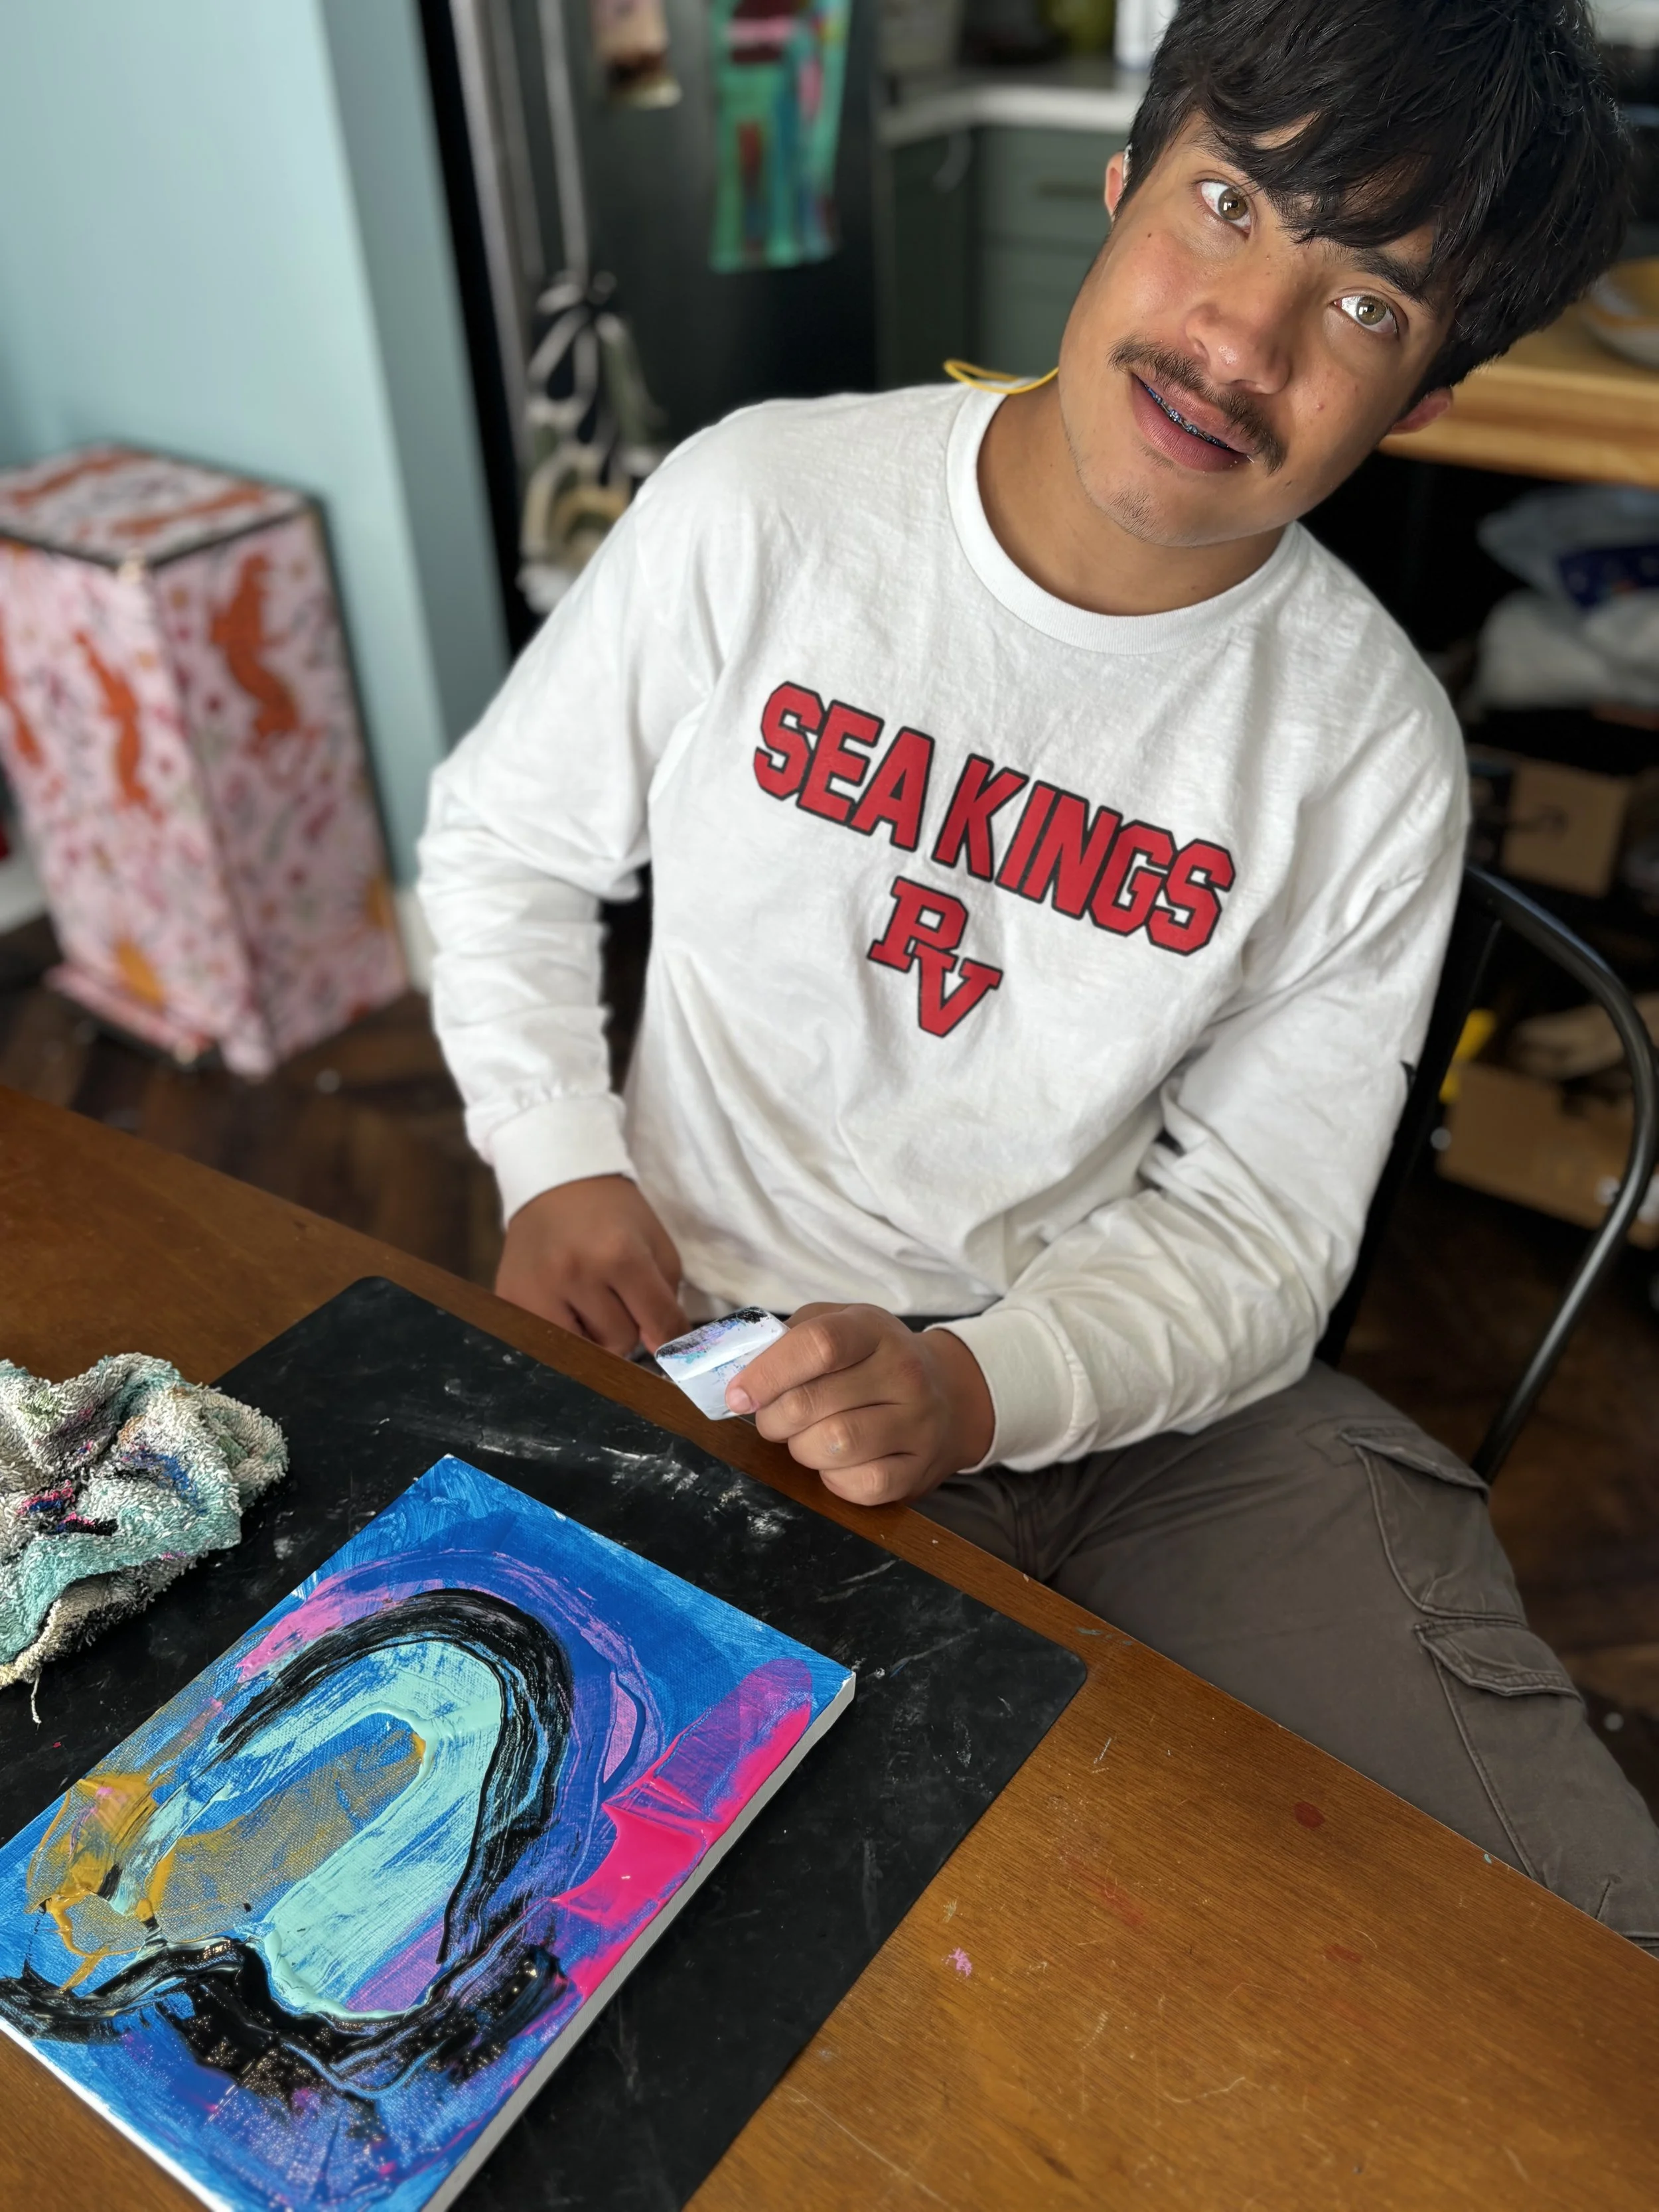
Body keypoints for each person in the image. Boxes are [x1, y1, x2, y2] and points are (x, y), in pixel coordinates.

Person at [420, 0, 1659, 1945]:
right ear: (1117, 181)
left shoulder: (1364, 748)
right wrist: (553, 1150)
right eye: (1230, 201)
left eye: (1365, 308)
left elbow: (1253, 1239)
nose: (1242, 340)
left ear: (1422, 400)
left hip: (1155, 1394)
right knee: (691, 1923)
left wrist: (979, 1385)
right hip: (724, 1337)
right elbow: (503, 845)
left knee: (1553, 1926)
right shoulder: (763, 510)